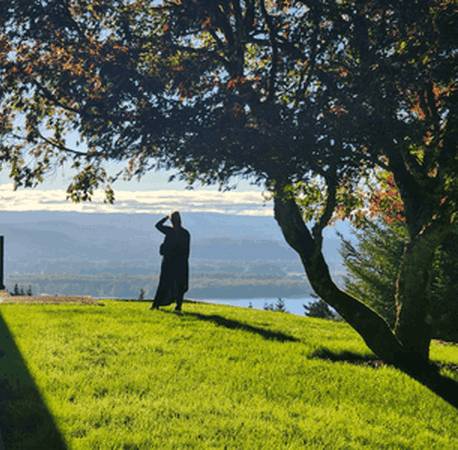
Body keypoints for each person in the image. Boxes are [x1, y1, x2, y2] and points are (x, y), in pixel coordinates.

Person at [151, 211, 190, 312]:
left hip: (169, 262)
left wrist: (166, 217)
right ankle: (178, 305)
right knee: (179, 285)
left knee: (164, 283)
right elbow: (186, 251)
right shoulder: (185, 233)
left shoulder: (170, 231)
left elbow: (157, 225)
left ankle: (156, 304)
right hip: (180, 263)